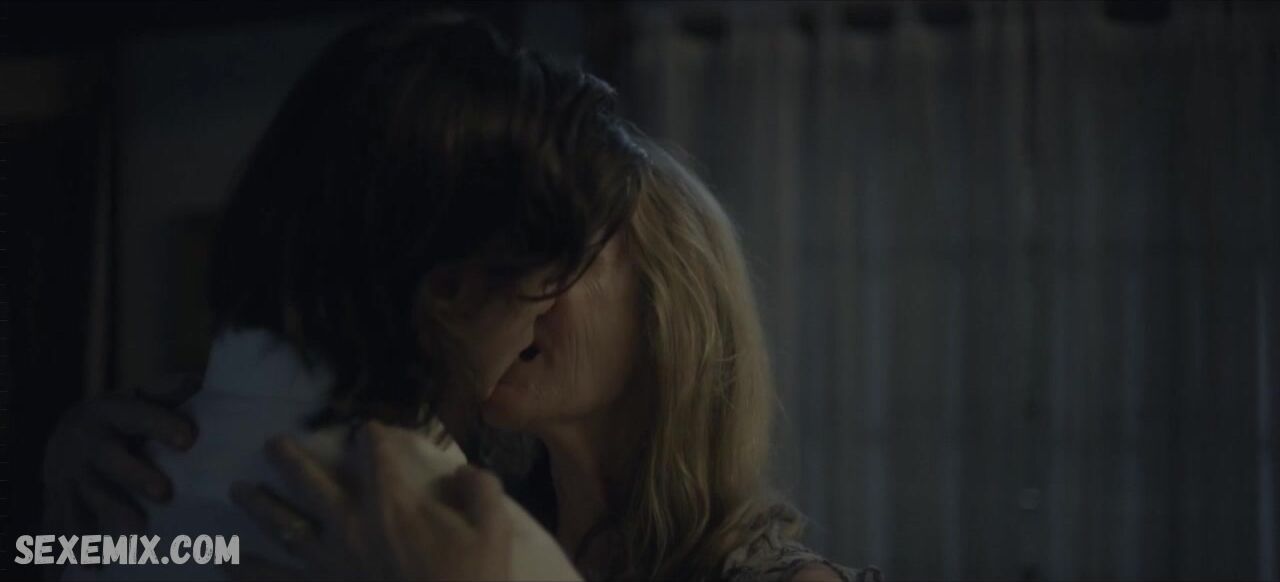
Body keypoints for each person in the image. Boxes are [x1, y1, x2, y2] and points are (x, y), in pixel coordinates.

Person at [43, 10, 881, 582]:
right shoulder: (432, 497)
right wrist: (59, 506)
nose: (531, 287)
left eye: (568, 255)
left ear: (669, 314)